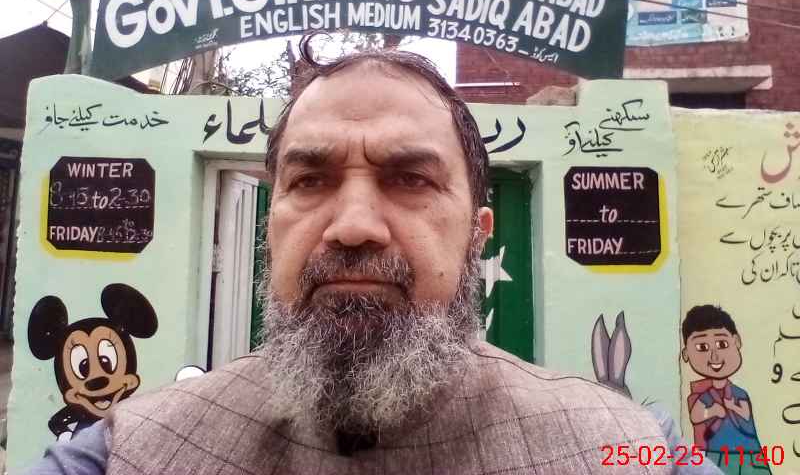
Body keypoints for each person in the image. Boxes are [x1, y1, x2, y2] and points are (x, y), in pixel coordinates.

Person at [24, 35, 671, 474]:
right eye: (310, 180)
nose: (353, 226)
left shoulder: (630, 449)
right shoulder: (125, 453)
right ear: (271, 228)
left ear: (478, 235)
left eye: (410, 178)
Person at [682, 305, 771, 475]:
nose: (714, 356)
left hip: (749, 455)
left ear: (736, 341)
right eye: (702, 347)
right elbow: (696, 415)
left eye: (722, 344)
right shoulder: (705, 396)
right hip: (717, 456)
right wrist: (713, 411)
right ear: (686, 353)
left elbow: (745, 414)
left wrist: (732, 407)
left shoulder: (739, 393)